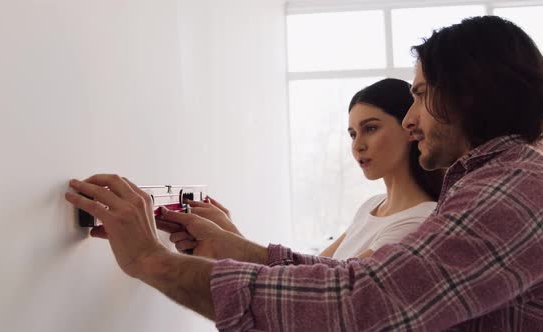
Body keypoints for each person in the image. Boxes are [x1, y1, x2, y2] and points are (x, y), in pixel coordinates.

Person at [65, 15, 543, 331]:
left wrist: (155, 261)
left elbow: (361, 301)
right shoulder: (490, 186)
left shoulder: (512, 192)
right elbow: (353, 277)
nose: (412, 120)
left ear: (468, 95)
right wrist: (238, 249)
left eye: (419, 94)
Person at [166, 78, 443, 261]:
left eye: (370, 128)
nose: (357, 145)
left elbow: (324, 289)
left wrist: (226, 242)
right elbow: (306, 274)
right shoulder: (371, 207)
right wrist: (228, 235)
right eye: (352, 134)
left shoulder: (418, 221)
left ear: (409, 127)